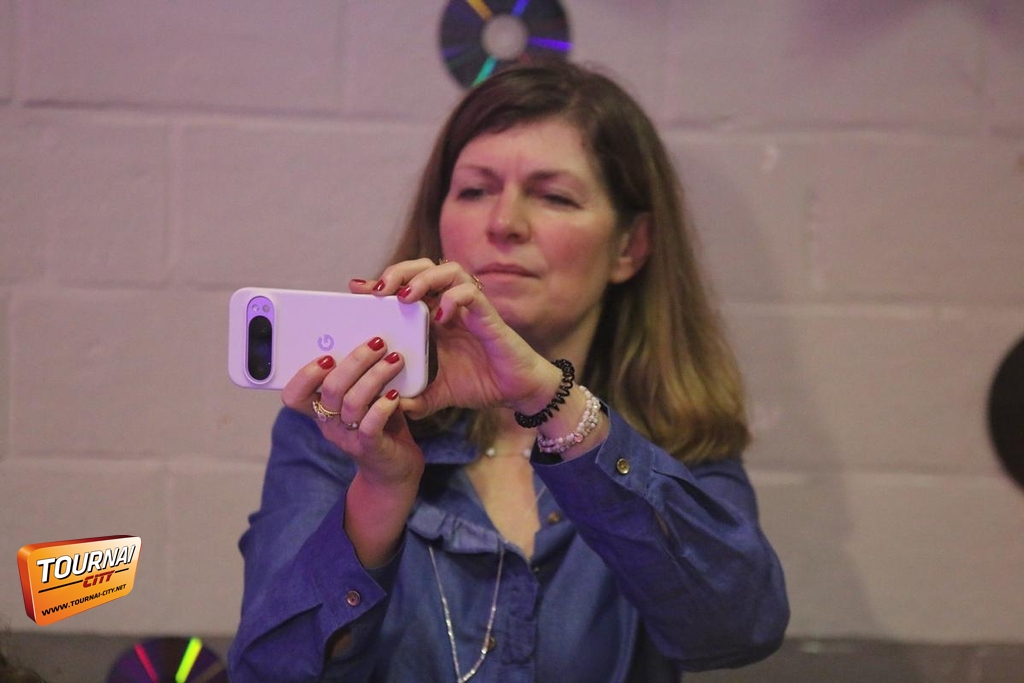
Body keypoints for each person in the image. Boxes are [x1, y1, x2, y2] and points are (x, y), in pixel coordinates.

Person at [228, 59, 789, 683]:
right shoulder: (345, 422)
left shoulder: (673, 432)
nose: (503, 223)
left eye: (554, 196)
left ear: (629, 247)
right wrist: (380, 493)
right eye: (475, 190)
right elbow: (268, 673)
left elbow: (738, 630)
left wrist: (555, 403)